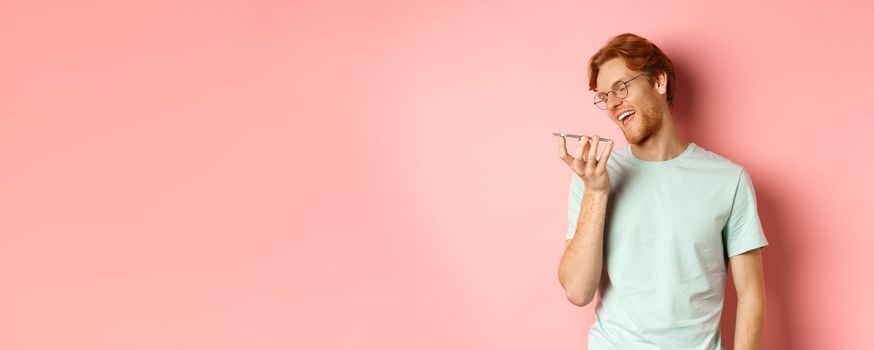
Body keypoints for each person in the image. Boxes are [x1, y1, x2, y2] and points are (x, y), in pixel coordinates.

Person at [556, 33, 769, 350]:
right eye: (604, 97)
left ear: (658, 82)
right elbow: (577, 291)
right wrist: (596, 193)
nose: (613, 104)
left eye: (621, 88)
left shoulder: (728, 180)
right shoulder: (594, 177)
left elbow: (751, 295)